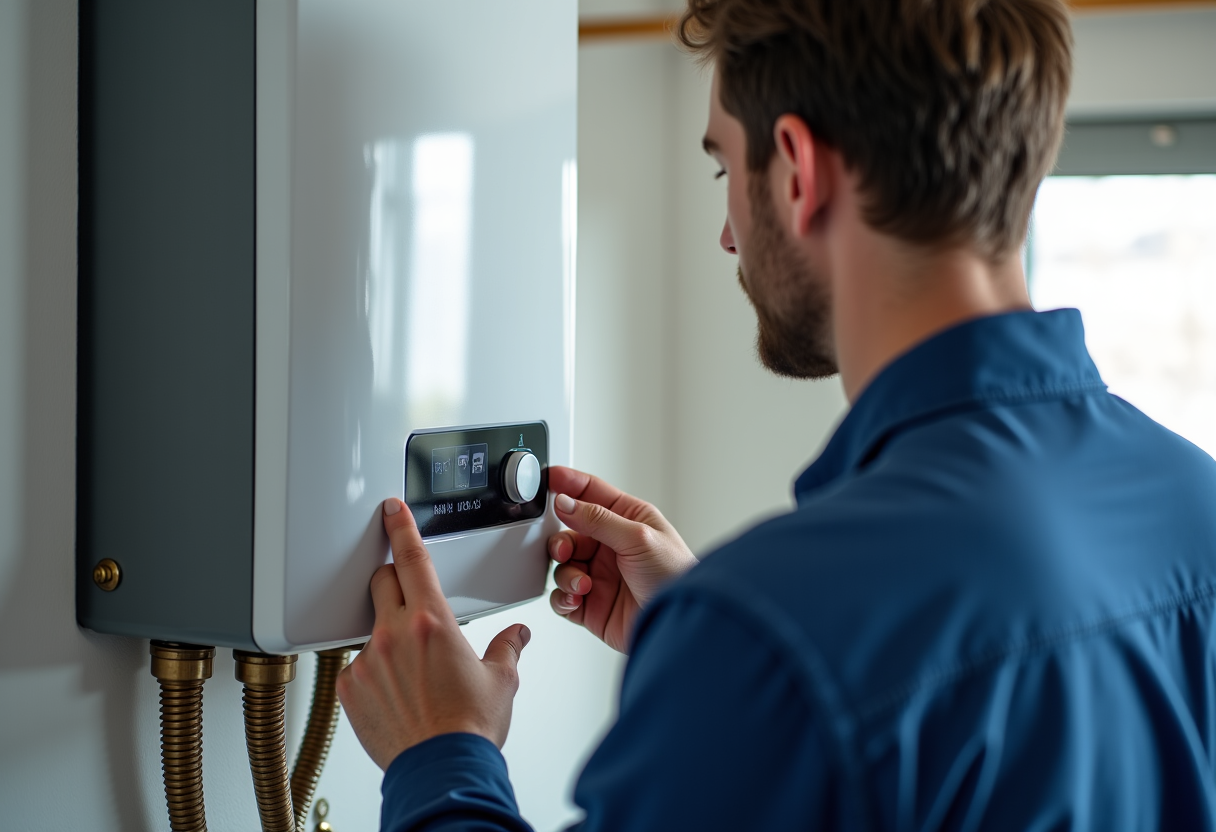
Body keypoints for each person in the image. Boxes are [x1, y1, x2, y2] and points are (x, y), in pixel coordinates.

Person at [337, 0, 1216, 828]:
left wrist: (440, 753)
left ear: (797, 170)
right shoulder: (1197, 505)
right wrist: (720, 650)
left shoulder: (770, 637)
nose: (727, 235)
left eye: (725, 167)